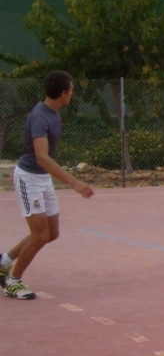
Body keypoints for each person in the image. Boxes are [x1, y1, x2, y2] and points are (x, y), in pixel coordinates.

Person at [0, 71, 94, 300]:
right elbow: (42, 157)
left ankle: (4, 261)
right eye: (71, 90)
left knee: (51, 233)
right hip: (29, 179)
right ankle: (13, 282)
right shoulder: (40, 117)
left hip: (42, 179)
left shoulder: (54, 113)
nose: (72, 94)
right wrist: (75, 183)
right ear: (63, 93)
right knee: (40, 235)